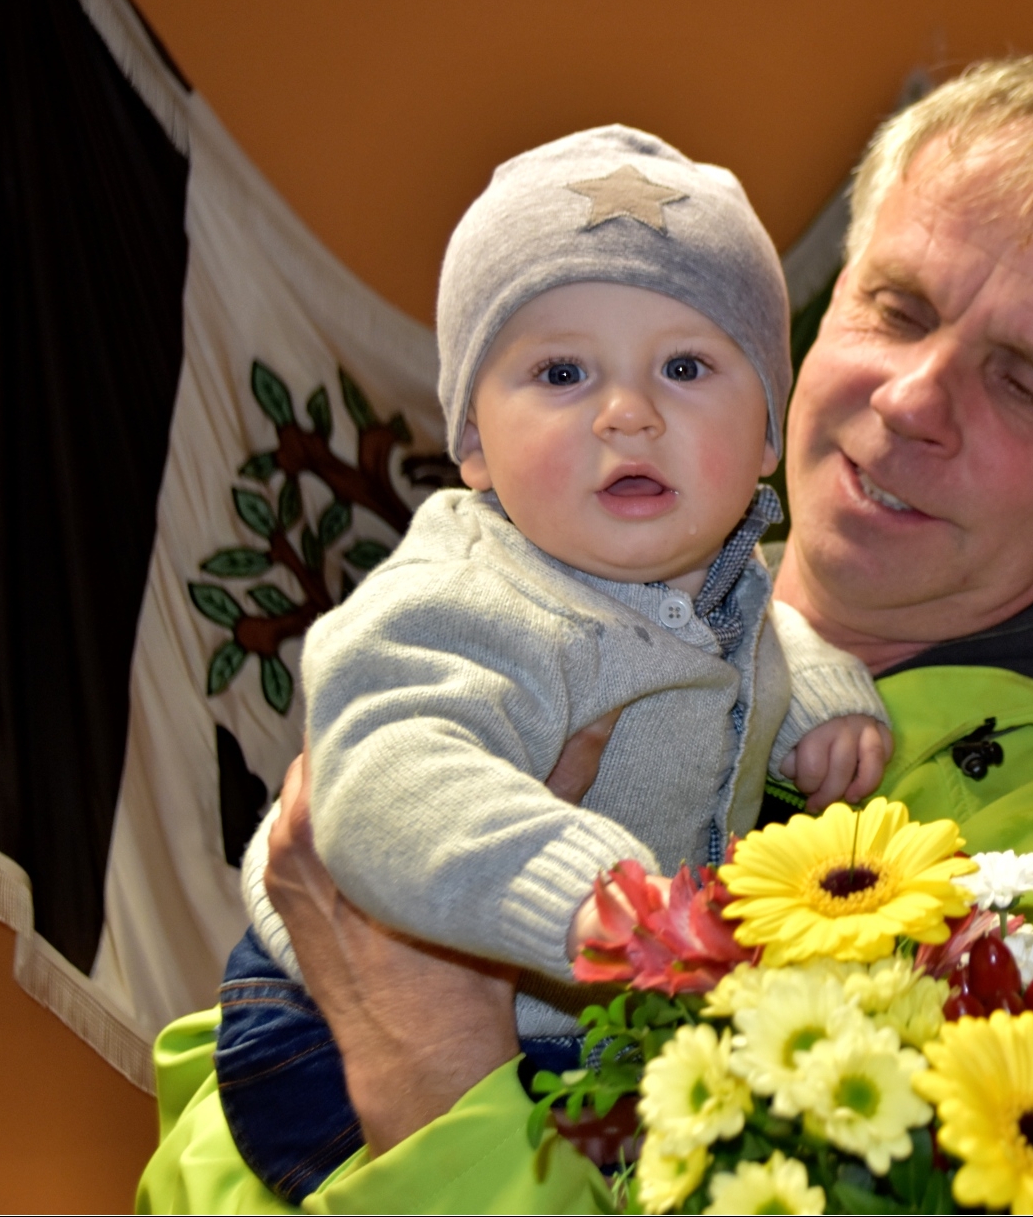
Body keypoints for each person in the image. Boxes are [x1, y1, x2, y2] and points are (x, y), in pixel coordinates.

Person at [137, 53, 1033, 1211]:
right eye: (898, 309)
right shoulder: (581, 593)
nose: (911, 401)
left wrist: (429, 1066)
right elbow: (193, 1128)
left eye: (1021, 380)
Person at [216, 124, 891, 1203]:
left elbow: (766, 630)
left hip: (581, 1030)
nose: (629, 413)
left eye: (685, 367)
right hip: (322, 1037)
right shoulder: (469, 591)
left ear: (767, 433)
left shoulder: (717, 580)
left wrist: (822, 699)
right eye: (562, 372)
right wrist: (587, 894)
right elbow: (388, 773)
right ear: (474, 447)